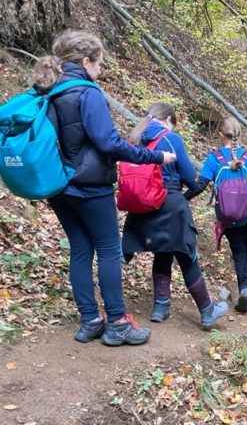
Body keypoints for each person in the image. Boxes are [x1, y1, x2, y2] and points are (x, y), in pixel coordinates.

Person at [34, 31, 176, 346]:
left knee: (80, 249)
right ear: (86, 61)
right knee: (109, 249)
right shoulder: (88, 92)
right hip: (90, 186)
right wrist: (156, 157)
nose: (100, 69)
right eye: (99, 64)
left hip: (58, 186)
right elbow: (109, 143)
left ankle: (90, 320)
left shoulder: (48, 89)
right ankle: (117, 323)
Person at [122, 103, 228, 330]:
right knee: (187, 254)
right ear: (168, 120)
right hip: (169, 203)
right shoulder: (171, 139)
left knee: (162, 251)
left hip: (143, 205)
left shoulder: (135, 137)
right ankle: (207, 309)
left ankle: (160, 307)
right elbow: (189, 177)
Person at [184, 117, 247, 313]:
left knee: (240, 252)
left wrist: (181, 198)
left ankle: (244, 292)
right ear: (239, 134)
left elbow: (199, 186)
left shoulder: (214, 158)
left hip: (228, 217)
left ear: (220, 135)